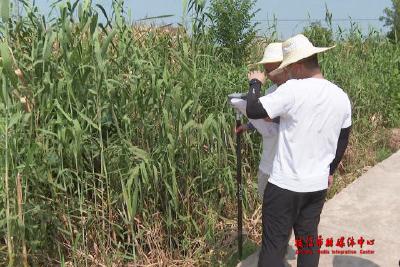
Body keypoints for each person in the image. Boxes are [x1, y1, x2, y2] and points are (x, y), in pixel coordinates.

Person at [246, 34, 352, 267]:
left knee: (274, 245)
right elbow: (343, 138)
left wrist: (256, 84)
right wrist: (330, 170)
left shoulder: (293, 89)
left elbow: (253, 110)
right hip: (316, 185)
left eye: (289, 68)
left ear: (298, 65)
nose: (289, 73)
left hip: (285, 185)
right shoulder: (341, 96)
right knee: (308, 241)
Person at [230, 42, 288, 199]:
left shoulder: (292, 92)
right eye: (266, 70)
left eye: (270, 70)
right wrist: (249, 125)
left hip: (284, 170)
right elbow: (265, 116)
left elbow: (263, 114)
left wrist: (255, 84)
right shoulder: (271, 91)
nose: (267, 74)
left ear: (284, 66)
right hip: (268, 163)